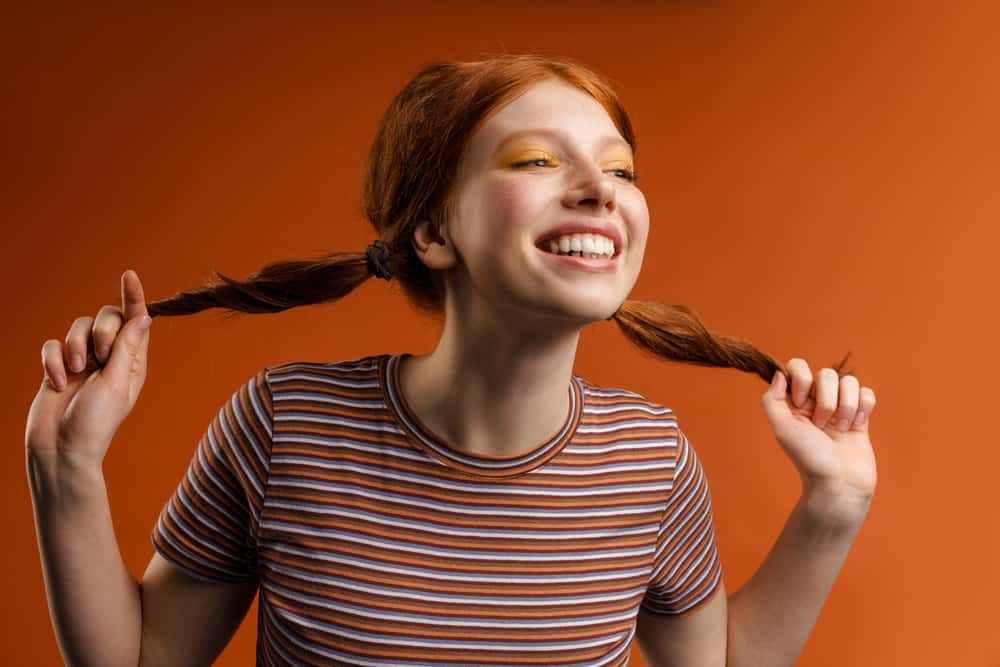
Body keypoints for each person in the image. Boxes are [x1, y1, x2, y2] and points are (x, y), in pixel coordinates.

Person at [27, 54, 877, 667]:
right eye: (540, 159)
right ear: (434, 232)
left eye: (620, 167)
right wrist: (67, 468)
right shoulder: (285, 426)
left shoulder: (650, 461)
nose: (600, 188)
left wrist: (833, 506)